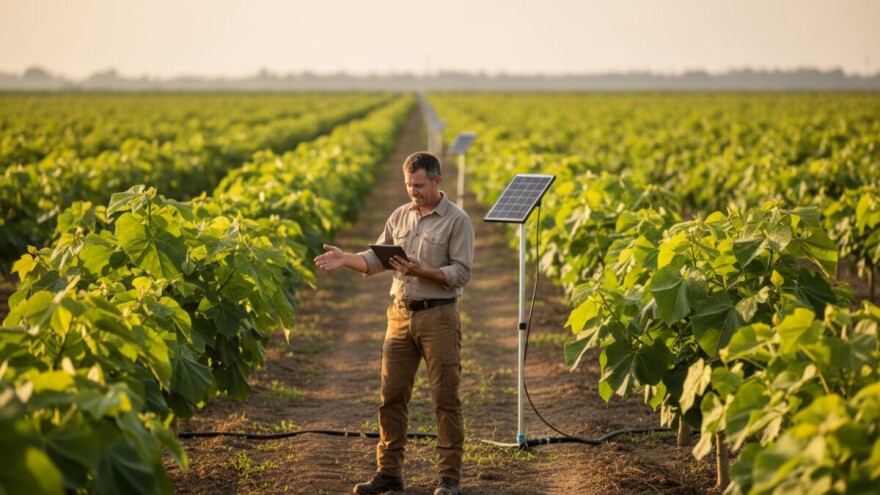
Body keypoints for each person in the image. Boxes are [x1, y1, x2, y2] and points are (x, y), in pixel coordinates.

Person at [314, 151, 474, 495]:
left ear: (437, 181)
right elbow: (377, 258)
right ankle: (389, 473)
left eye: (418, 185)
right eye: (408, 185)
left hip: (439, 317)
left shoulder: (457, 220)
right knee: (391, 397)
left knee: (445, 398)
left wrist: (419, 270)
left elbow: (461, 272)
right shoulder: (401, 215)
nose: (412, 192)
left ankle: (449, 478)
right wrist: (347, 259)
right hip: (400, 315)